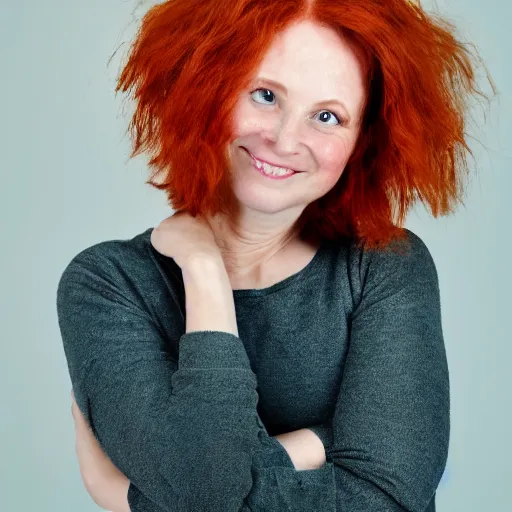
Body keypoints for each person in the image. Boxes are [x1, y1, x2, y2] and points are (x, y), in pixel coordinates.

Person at [57, 0, 495, 511]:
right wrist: (205, 276)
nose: (285, 139)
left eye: (327, 116)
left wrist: (132, 499)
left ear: (364, 143)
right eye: (265, 95)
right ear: (207, 87)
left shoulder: (384, 265)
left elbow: (387, 502)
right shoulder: (109, 284)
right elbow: (203, 487)